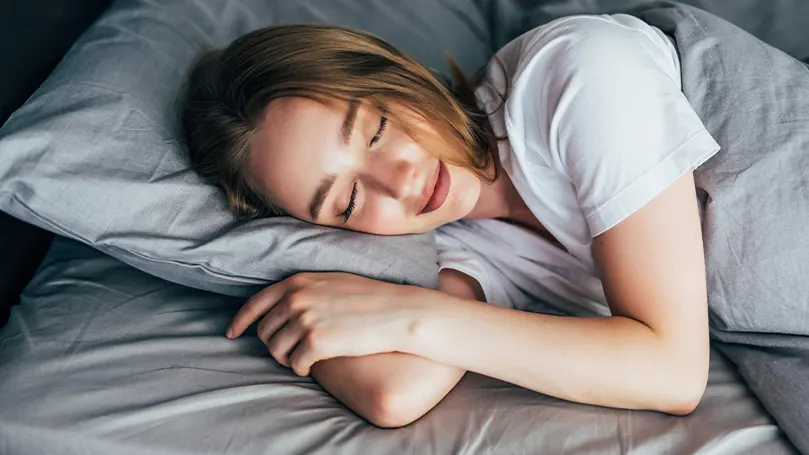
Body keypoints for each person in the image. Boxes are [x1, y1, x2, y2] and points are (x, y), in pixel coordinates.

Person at [180, 14, 720, 428]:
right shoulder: (466, 245)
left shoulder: (578, 71)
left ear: (395, 72)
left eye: (376, 130)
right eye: (346, 202)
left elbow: (673, 372)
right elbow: (394, 391)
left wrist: (412, 316)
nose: (399, 182)